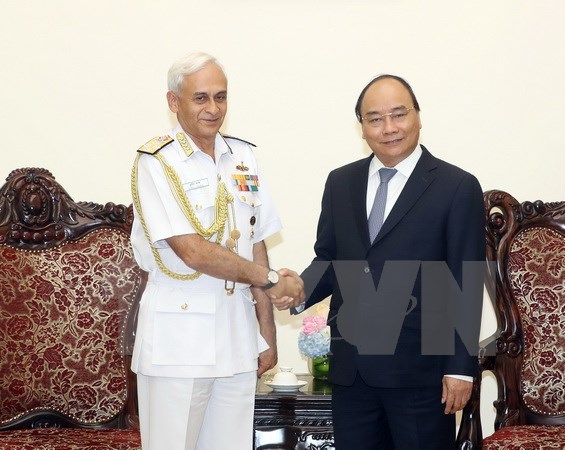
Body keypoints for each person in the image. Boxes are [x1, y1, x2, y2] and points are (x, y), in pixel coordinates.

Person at [280, 74, 485, 449]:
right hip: (352, 371)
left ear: (418, 116)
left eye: (398, 114)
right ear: (362, 127)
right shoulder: (341, 182)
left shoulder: (457, 186)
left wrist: (460, 368)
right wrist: (298, 289)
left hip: (421, 374)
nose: (388, 128)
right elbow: (329, 259)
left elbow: (465, 281)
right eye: (374, 119)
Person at [130, 51, 304, 450]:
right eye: (201, 98)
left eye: (220, 97)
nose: (213, 108)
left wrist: (266, 329)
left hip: (237, 334)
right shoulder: (156, 162)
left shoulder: (243, 156)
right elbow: (192, 251)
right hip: (180, 338)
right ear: (174, 102)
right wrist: (273, 281)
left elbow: (255, 240)